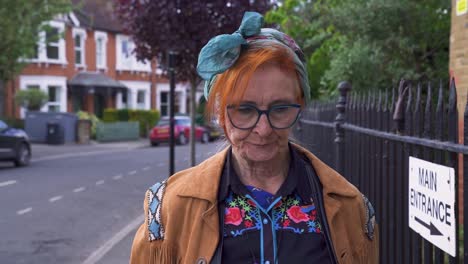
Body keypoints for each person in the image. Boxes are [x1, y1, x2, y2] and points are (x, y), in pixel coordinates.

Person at [130, 11, 378, 264]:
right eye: (245, 110)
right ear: (220, 112)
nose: (263, 129)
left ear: (300, 105)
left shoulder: (351, 208)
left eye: (280, 109)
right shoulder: (170, 209)